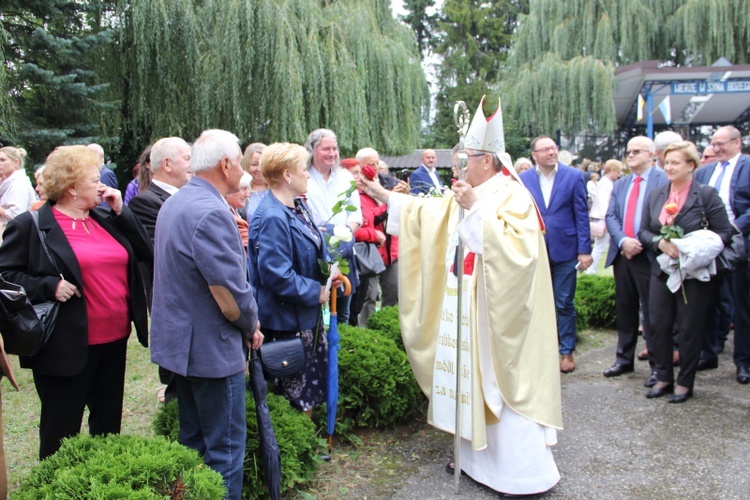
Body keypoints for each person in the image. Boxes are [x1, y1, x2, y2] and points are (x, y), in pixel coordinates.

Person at [362, 97, 562, 497]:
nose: (460, 167)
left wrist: (476, 212)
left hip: (497, 313)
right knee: (469, 378)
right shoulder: (475, 189)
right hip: (468, 303)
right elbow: (434, 216)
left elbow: (518, 253)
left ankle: (518, 474)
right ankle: (475, 460)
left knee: (496, 381)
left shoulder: (511, 194)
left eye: (466, 159)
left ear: (487, 160)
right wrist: (385, 197)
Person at [0, 145, 152, 459]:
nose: (103, 185)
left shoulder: (103, 216)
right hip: (64, 345)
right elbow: (6, 276)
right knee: (60, 434)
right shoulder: (31, 225)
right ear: (71, 188)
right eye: (95, 180)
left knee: (108, 430)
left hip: (113, 341)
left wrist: (122, 211)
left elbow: (144, 251)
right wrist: (47, 285)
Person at [150, 129, 262, 499]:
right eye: (240, 161)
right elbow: (229, 293)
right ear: (226, 164)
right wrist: (251, 325)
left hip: (183, 347)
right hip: (210, 351)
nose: (244, 170)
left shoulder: (176, 202)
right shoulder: (211, 211)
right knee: (224, 452)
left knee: (193, 446)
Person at [639, 141, 732, 403]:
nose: (668, 167)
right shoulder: (657, 194)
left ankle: (685, 382)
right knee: (657, 326)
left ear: (691, 165)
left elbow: (724, 233)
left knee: (690, 328)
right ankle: (664, 376)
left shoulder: (706, 195)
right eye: (666, 162)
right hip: (662, 273)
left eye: (675, 162)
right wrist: (661, 243)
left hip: (694, 276)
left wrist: (693, 246)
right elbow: (644, 231)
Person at [249, 142, 337, 412]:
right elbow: (275, 275)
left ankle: (307, 444)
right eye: (302, 168)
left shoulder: (298, 207)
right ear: (287, 175)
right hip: (286, 322)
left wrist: (329, 267)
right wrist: (315, 291)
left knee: (308, 389)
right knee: (293, 396)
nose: (308, 173)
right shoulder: (273, 216)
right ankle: (296, 449)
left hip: (305, 317)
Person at [520, 136, 592, 373]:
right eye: (546, 149)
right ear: (534, 155)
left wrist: (584, 250)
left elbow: (581, 215)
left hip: (566, 250)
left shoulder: (573, 177)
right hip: (534, 250)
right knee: (536, 302)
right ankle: (540, 350)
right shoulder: (523, 180)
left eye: (554, 148)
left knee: (564, 302)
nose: (551, 152)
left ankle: (566, 352)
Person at [602, 137, 667, 386]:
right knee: (625, 310)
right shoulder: (622, 183)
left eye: (636, 151)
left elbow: (664, 216)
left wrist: (639, 241)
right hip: (623, 255)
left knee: (653, 313)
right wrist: (623, 242)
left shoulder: (663, 180)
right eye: (628, 151)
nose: (630, 155)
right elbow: (611, 215)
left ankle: (657, 366)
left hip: (649, 255)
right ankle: (623, 359)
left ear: (652, 155)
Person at [695, 126, 750, 384]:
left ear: (737, 143)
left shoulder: (747, 166)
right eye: (713, 144)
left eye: (721, 143)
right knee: (708, 300)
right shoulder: (706, 171)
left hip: (740, 242)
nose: (716, 149)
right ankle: (708, 352)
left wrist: (735, 228)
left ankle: (743, 362)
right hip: (709, 243)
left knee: (742, 304)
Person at [303, 129, 361, 325]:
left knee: (342, 312)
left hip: (344, 248)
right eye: (326, 149)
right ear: (312, 150)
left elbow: (356, 215)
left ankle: (340, 352)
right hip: (312, 249)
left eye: (335, 149)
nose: (332, 153)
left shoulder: (345, 177)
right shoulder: (304, 176)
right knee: (315, 312)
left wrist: (344, 236)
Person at [128, 137, 192, 242]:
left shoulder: (194, 197)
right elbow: (161, 249)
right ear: (167, 164)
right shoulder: (144, 204)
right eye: (187, 158)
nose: (193, 164)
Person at [587, 160, 622, 275]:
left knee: (599, 246)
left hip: (601, 217)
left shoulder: (604, 182)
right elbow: (603, 203)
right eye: (618, 171)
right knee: (599, 247)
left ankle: (590, 269)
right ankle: (590, 269)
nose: (619, 174)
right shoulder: (606, 183)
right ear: (612, 170)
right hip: (602, 218)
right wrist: (607, 219)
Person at [0, 146, 37, 237]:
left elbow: (17, 215)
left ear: (16, 162)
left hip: (15, 235)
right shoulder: (7, 183)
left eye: (2, 160)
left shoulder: (19, 184)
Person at [240, 142, 267, 221]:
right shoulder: (239, 191)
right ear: (246, 165)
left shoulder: (279, 190)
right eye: (254, 164)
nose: (259, 169)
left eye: (263, 164)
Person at [227, 172, 251, 252]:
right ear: (230, 189)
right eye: (243, 189)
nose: (247, 194)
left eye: (248, 189)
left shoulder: (236, 212)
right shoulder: (227, 214)